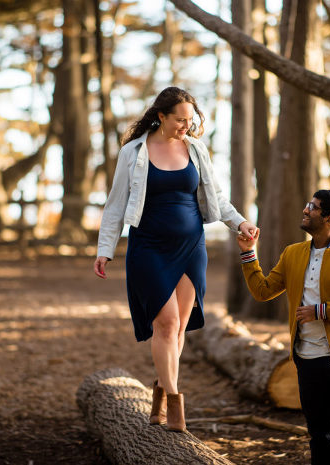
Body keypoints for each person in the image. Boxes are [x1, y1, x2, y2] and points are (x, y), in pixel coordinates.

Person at [93, 86, 258, 432]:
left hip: (191, 248)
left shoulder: (196, 149)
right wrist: (105, 249)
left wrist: (240, 222)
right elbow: (115, 204)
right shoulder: (133, 152)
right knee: (166, 324)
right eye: (180, 119)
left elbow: (217, 196)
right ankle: (175, 400)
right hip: (149, 248)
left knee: (180, 328)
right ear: (161, 116)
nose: (186, 125)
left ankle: (159, 394)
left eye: (190, 119)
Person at [236, 190, 330, 465]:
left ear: (329, 218)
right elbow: (263, 291)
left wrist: (322, 312)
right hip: (308, 359)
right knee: (320, 434)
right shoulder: (293, 253)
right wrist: (248, 255)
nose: (305, 210)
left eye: (312, 207)